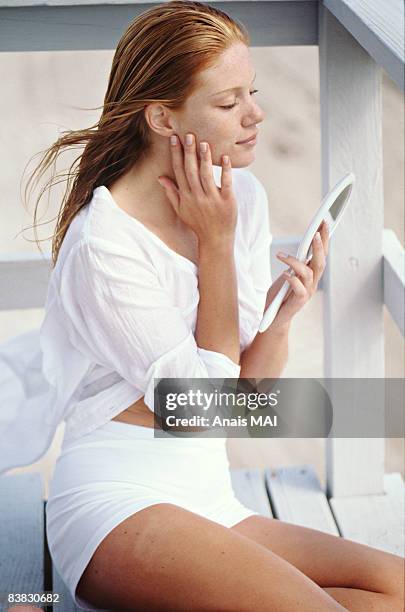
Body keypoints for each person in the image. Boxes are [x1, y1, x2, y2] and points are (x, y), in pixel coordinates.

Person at [1, 1, 403, 611]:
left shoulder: (240, 193)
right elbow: (196, 408)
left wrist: (284, 312)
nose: (255, 114)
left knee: (393, 588)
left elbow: (244, 400)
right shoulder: (104, 244)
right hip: (119, 502)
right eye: (227, 102)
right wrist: (214, 244)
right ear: (162, 116)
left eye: (253, 92)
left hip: (209, 497)